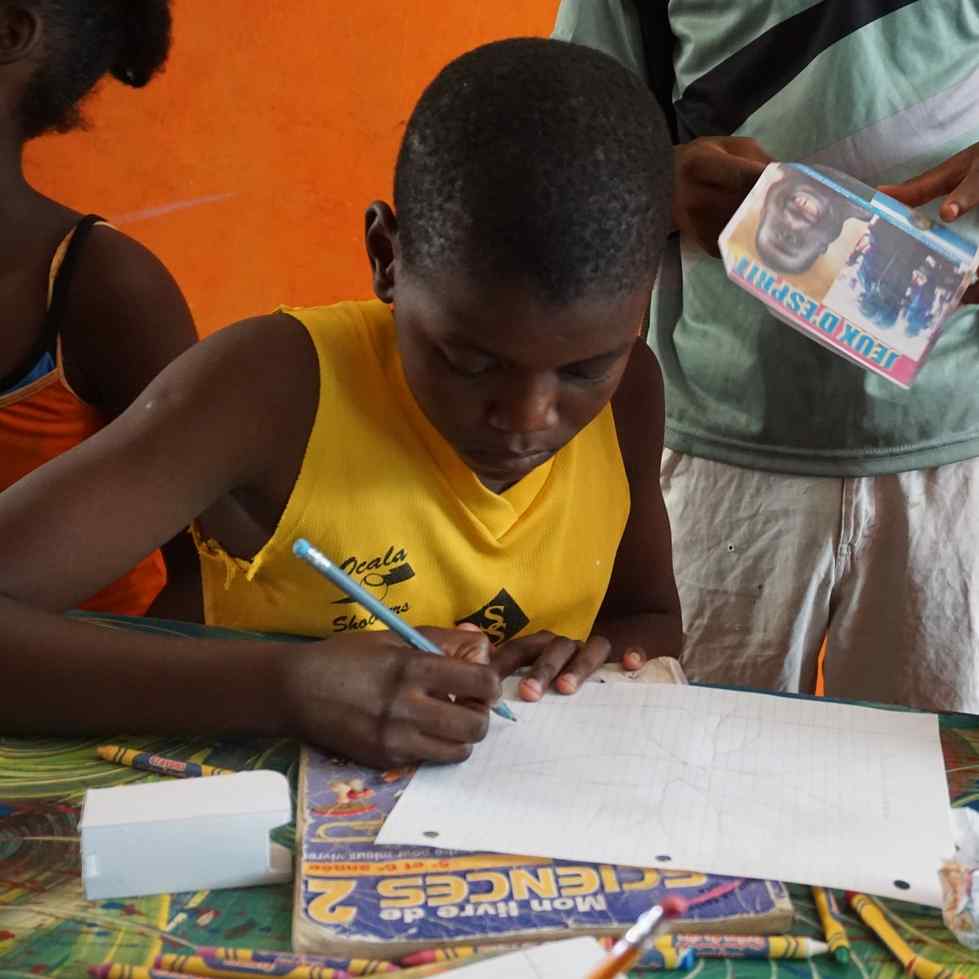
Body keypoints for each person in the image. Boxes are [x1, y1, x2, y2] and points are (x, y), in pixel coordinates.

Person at [0, 38, 681, 769]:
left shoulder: (629, 391)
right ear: (387, 257)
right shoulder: (273, 389)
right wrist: (286, 685)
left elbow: (646, 616)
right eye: (471, 360)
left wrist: (591, 660)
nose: (525, 417)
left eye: (582, 369)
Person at [553, 0, 979, 712]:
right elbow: (568, 157)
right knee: (682, 788)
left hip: (956, 457)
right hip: (715, 451)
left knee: (938, 806)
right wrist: (655, 184)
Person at [0, 0, 197, 616]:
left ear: (9, 32)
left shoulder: (103, 286)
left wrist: (113, 711)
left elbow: (213, 577)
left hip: (77, 701)